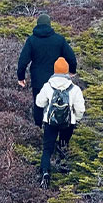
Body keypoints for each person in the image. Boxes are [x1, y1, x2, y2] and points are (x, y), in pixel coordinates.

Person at [17, 14, 78, 128]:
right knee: (58, 102)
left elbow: (22, 61)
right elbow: (71, 58)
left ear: (37, 25)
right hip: (57, 79)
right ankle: (58, 126)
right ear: (50, 25)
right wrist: (72, 71)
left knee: (39, 103)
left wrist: (21, 77)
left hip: (38, 78)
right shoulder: (59, 40)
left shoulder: (31, 41)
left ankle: (39, 128)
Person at [34, 57, 85, 189]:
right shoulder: (75, 89)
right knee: (64, 145)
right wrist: (75, 119)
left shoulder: (48, 86)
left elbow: (39, 103)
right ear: (67, 72)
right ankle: (63, 177)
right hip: (68, 124)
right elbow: (80, 110)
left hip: (50, 122)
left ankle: (45, 172)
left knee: (47, 149)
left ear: (55, 70)